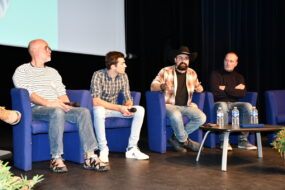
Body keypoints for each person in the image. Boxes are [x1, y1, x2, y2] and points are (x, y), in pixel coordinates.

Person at [12, 39, 109, 173]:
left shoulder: (53, 72)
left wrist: (67, 105)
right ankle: (56, 158)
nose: (50, 50)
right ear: (35, 50)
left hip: (56, 107)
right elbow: (28, 94)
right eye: (46, 48)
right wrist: (50, 103)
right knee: (56, 112)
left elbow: (62, 94)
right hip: (35, 109)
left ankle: (90, 156)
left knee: (83, 112)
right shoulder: (22, 70)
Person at [90, 51, 149, 163]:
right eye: (122, 63)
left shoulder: (123, 76)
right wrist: (119, 108)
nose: (125, 65)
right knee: (99, 111)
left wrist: (128, 107)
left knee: (140, 110)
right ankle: (103, 149)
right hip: (103, 109)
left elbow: (127, 97)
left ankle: (132, 148)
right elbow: (96, 101)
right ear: (113, 66)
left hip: (116, 109)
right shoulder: (98, 75)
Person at [150, 46, 206, 152]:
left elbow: (198, 87)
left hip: (186, 106)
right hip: (168, 105)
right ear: (175, 60)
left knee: (202, 117)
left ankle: (176, 138)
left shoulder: (192, 73)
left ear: (188, 61)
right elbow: (153, 86)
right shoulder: (165, 71)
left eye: (186, 58)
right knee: (176, 115)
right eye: (180, 58)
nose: (183, 61)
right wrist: (161, 86)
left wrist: (199, 89)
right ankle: (185, 142)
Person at [210, 52, 257, 151]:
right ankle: (224, 140)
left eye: (231, 61)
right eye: (226, 60)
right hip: (220, 102)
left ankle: (243, 140)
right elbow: (216, 92)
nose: (228, 63)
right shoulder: (215, 74)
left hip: (235, 103)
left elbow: (242, 93)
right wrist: (234, 89)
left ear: (236, 63)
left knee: (248, 106)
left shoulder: (239, 77)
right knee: (222, 106)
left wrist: (225, 89)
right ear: (223, 61)